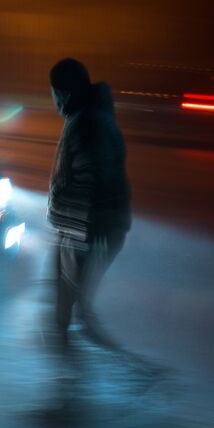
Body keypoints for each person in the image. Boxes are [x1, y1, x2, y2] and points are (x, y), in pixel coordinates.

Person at [45, 58, 157, 408]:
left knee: (65, 319)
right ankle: (126, 378)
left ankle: (75, 396)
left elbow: (88, 182)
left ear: (62, 91)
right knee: (76, 317)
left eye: (53, 91)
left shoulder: (85, 123)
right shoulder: (95, 116)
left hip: (85, 231)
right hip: (93, 229)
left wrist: (73, 239)